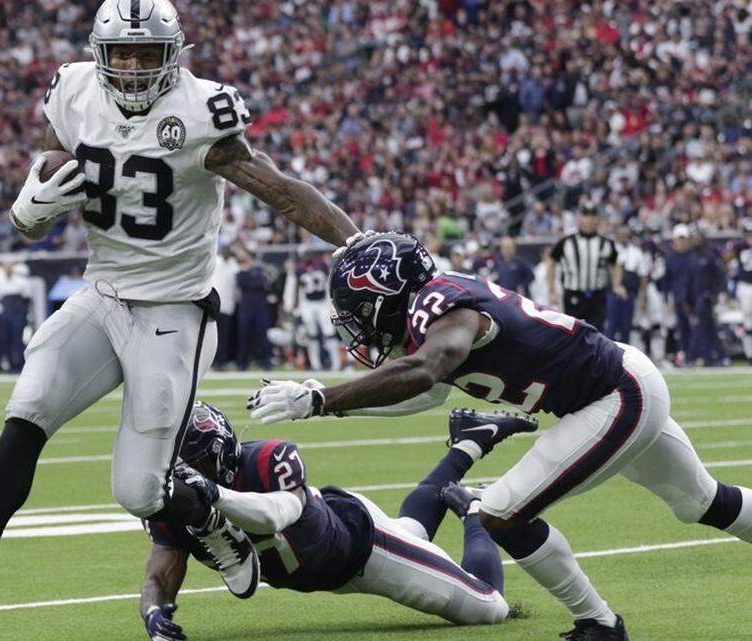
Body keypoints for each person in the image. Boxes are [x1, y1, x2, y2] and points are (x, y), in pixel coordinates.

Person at [0, 2, 359, 638]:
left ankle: (209, 519)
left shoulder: (203, 109)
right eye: (124, 53)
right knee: (27, 409)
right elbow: (53, 167)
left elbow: (277, 187)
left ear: (174, 54)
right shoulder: (74, 90)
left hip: (175, 307)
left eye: (150, 53)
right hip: (105, 292)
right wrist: (29, 208)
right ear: (100, 52)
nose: (137, 67)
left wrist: (354, 239)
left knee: (140, 492)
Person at [248, 231, 752, 641]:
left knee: (498, 513)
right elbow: (429, 393)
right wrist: (331, 404)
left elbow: (427, 371)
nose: (358, 325)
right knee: (701, 501)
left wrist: (324, 399)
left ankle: (599, 624)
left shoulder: (442, 307)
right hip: (616, 383)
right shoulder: (437, 299)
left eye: (358, 309)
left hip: (615, 395)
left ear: (384, 296)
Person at [141, 403, 519, 641]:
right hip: (328, 563)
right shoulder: (174, 503)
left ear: (220, 455)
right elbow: (158, 574)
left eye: (195, 468)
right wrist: (154, 612)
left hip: (365, 549)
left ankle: (472, 509)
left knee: (488, 608)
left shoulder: (267, 459)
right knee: (415, 529)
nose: (183, 479)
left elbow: (275, 515)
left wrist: (213, 493)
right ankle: (470, 441)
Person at [545, 205, 619, 331]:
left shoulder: (606, 243)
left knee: (597, 335)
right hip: (573, 296)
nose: (589, 220)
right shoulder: (567, 241)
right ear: (579, 218)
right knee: (573, 335)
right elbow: (551, 261)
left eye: (592, 217)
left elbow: (616, 263)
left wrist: (617, 284)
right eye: (586, 216)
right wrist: (551, 289)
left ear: (598, 219)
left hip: (598, 296)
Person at [286, 249, 337, 371]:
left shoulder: (322, 266)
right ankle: (316, 365)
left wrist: (332, 302)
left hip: (322, 302)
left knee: (329, 333)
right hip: (308, 304)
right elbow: (297, 288)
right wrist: (295, 305)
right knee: (312, 335)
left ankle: (336, 363)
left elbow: (329, 282)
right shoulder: (299, 270)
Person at [688, 229, 727, 366]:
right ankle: (719, 356)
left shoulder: (710, 256)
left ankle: (698, 357)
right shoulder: (691, 257)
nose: (696, 240)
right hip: (694, 298)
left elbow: (719, 276)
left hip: (705, 298)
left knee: (701, 327)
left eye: (698, 237)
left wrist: (715, 293)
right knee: (709, 327)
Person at [603, 227, 648, 344]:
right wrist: (616, 287)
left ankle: (624, 356)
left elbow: (643, 276)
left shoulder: (636, 252)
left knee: (626, 325)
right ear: (617, 236)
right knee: (611, 324)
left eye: (626, 235)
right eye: (621, 234)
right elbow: (608, 271)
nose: (623, 237)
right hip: (612, 293)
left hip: (630, 293)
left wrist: (644, 296)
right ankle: (608, 355)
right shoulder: (611, 250)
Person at [235, 247, 273, 370]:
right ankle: (242, 362)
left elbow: (265, 283)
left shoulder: (260, 269)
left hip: (260, 307)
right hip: (246, 307)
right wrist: (253, 279)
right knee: (244, 336)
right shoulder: (241, 271)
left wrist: (252, 279)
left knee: (262, 335)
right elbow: (241, 282)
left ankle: (264, 360)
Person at [665, 224, 697, 363]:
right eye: (679, 239)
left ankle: (694, 356)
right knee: (681, 329)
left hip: (695, 299)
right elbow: (667, 281)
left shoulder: (695, 256)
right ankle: (684, 355)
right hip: (678, 299)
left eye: (684, 239)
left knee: (696, 329)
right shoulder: (670, 258)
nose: (681, 242)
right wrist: (667, 299)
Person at [0, 261, 31, 373]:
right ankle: (9, 364)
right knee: (6, 338)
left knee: (18, 338)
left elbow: (27, 297)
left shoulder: (20, 281)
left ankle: (20, 364)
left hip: (18, 312)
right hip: (6, 311)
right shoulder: (0, 282)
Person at [212, 245, 239, 369]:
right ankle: (212, 362)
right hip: (214, 306)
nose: (226, 253)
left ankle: (221, 362)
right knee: (212, 337)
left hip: (228, 306)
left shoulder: (234, 266)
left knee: (224, 338)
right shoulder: (215, 262)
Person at [731, 236, 752, 361]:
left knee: (748, 323)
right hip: (744, 285)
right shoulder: (739, 246)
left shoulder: (740, 246)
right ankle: (749, 355)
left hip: (744, 285)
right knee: (747, 323)